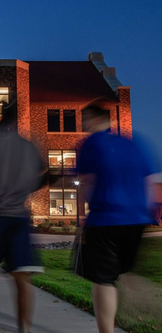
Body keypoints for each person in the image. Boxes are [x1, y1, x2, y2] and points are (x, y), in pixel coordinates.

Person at [76, 104, 158, 333]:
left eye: (84, 119)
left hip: (105, 219)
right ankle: (136, 286)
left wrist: (85, 218)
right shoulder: (133, 144)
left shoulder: (91, 143)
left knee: (103, 281)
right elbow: (149, 182)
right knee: (122, 270)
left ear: (93, 120)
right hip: (136, 219)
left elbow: (87, 182)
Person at [0, 102, 46, 333]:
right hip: (19, 219)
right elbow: (42, 178)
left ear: (1, 116)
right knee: (22, 279)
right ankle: (23, 329)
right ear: (18, 119)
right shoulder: (29, 147)